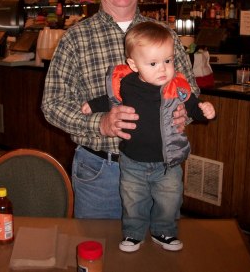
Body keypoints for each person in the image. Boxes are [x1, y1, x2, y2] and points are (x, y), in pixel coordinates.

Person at [41, 0, 199, 220]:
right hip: (101, 173)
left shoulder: (166, 35)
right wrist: (100, 123)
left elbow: (190, 90)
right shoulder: (75, 39)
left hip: (160, 173)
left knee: (155, 255)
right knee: (99, 255)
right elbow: (52, 104)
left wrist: (182, 114)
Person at [81, 21, 215, 252]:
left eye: (168, 61)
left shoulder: (177, 86)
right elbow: (111, 100)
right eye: (153, 63)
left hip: (168, 163)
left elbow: (193, 106)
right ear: (133, 64)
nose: (163, 69)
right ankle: (133, 234)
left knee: (170, 200)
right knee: (133, 200)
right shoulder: (126, 84)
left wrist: (206, 111)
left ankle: (164, 232)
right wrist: (92, 106)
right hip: (132, 160)